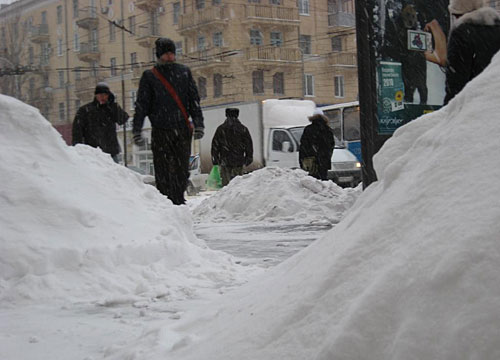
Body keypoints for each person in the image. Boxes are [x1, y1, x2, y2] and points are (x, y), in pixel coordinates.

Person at [132, 37, 204, 205]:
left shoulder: (184, 72)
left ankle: (178, 200)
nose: (170, 56)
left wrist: (199, 124)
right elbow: (142, 105)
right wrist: (137, 129)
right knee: (162, 169)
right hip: (161, 129)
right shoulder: (150, 76)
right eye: (166, 53)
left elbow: (194, 101)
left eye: (172, 53)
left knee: (181, 169)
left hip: (182, 128)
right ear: (159, 55)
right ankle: (165, 202)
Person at [444, 0, 500, 104]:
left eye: (456, 15)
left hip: (472, 105)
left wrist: (448, 111)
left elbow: (456, 80)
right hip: (494, 105)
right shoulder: (496, 30)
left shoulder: (461, 33)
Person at [72, 82, 129, 163]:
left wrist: (113, 106)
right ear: (96, 95)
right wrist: (78, 148)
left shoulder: (111, 108)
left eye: (105, 95)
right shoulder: (85, 110)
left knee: (114, 174)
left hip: (110, 151)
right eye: (100, 95)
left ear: (108, 95)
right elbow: (77, 131)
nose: (103, 97)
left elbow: (123, 119)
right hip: (93, 152)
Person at [211, 108, 253, 186]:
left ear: (226, 115)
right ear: (237, 115)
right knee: (238, 185)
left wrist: (215, 159)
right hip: (238, 161)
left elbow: (215, 145)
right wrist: (248, 158)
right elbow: (248, 145)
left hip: (225, 161)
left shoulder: (221, 129)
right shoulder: (243, 129)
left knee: (226, 186)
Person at [299, 109, 335, 181]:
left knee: (311, 182)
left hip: (310, 161)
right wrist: (326, 157)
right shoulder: (327, 130)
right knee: (323, 181)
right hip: (323, 161)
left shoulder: (308, 129)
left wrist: (302, 159)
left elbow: (303, 145)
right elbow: (331, 145)